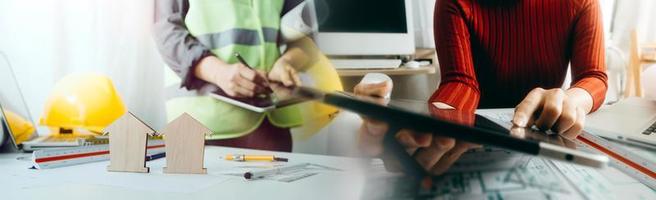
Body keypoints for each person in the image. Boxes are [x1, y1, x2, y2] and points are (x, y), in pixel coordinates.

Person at [358, 0, 608, 174]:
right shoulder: (454, 2)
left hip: (543, 134)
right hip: (476, 138)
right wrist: (440, 120)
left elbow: (594, 76)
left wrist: (571, 100)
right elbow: (461, 81)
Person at [153, 0, 320, 152]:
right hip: (205, 122)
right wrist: (219, 72)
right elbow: (167, 31)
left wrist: (287, 62)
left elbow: (306, 38)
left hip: (271, 122)